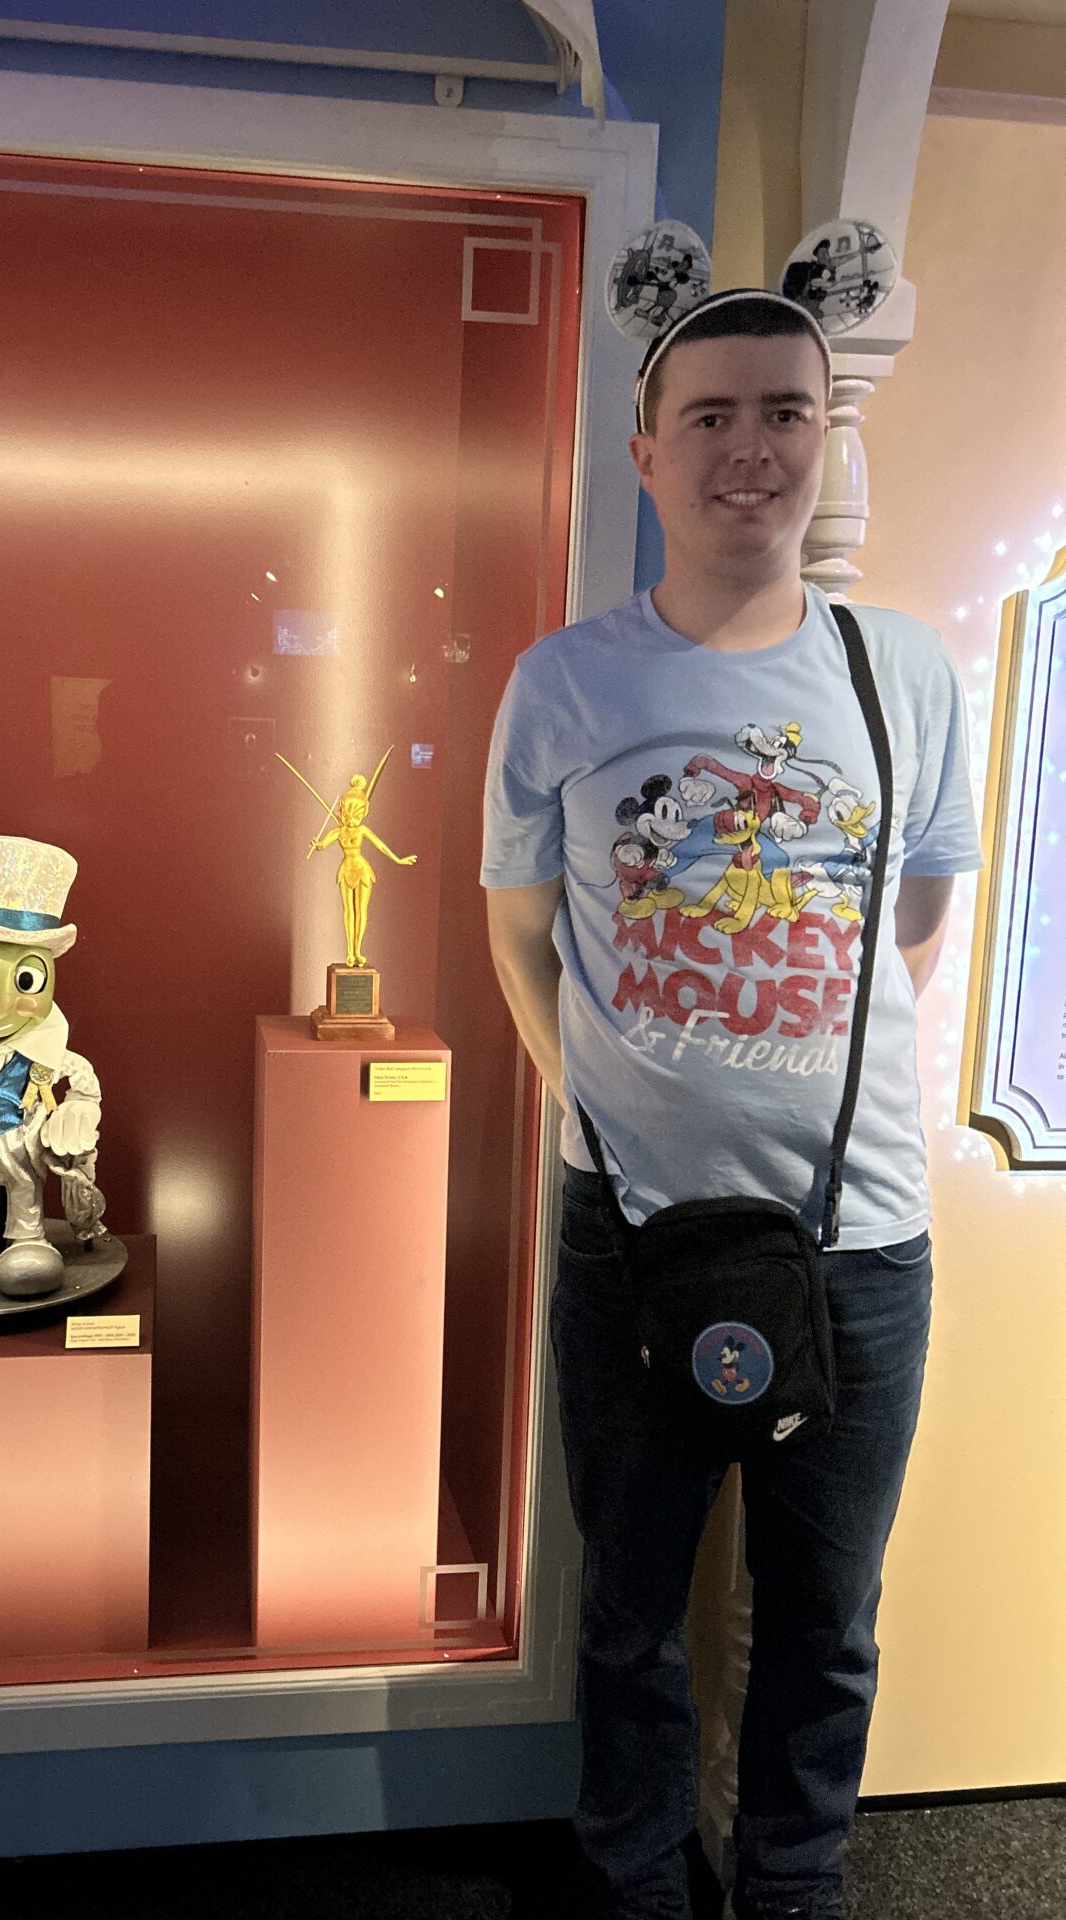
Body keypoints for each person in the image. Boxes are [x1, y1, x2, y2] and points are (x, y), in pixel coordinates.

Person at [480, 294, 981, 1920]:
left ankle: (793, 1887)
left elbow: (916, 919)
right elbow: (517, 933)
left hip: (862, 1242)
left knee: (825, 1617)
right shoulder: (562, 683)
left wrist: (784, 1039)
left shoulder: (907, 673)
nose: (748, 449)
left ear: (825, 436)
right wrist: (599, 1100)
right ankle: (633, 1882)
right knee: (628, 1611)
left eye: (784, 410)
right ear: (647, 456)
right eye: (709, 416)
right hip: (628, 1229)